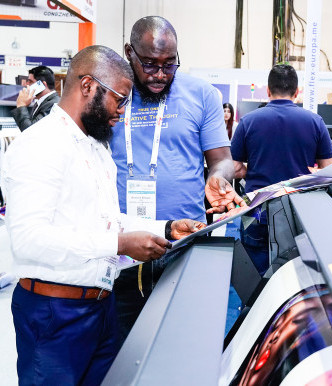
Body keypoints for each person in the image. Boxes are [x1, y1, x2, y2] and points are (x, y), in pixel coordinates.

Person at [0, 45, 204, 385]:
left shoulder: (97, 148)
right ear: (87, 86)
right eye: (119, 100)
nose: (122, 112)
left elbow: (108, 221)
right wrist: (119, 244)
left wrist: (167, 228)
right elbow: (29, 240)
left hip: (102, 309)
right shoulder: (40, 145)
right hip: (54, 314)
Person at [109, 16, 245, 343]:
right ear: (129, 52)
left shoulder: (202, 94)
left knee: (184, 343)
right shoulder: (112, 93)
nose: (159, 75)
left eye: (169, 65)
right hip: (121, 247)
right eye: (150, 64)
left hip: (184, 242)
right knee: (120, 348)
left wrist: (218, 178)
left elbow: (222, 160)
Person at [231, 64, 332, 274]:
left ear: (268, 90)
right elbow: (328, 171)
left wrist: (255, 169)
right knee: (296, 274)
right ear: (297, 92)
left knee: (254, 274)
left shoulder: (248, 122)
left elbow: (235, 169)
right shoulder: (315, 122)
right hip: (298, 211)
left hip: (256, 209)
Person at [12, 65, 60, 131]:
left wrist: (21, 105)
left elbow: (31, 131)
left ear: (43, 84)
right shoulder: (41, 102)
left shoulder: (53, 104)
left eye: (30, 81)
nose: (27, 84)